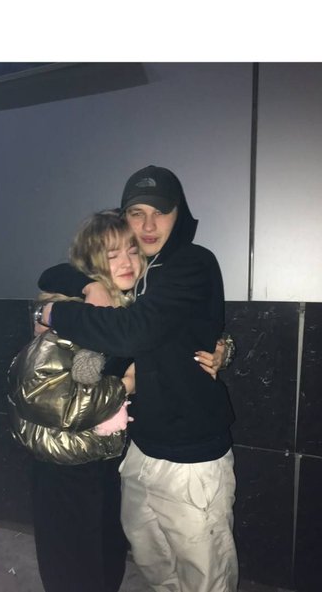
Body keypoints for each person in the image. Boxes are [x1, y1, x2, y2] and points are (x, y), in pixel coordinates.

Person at [44, 165, 238, 592]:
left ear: (179, 214)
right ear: (124, 218)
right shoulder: (137, 267)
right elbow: (60, 271)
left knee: (204, 575)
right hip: (140, 450)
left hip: (191, 458)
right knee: (154, 565)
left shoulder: (191, 262)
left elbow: (135, 332)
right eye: (137, 213)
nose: (149, 226)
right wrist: (87, 285)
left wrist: (53, 312)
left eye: (160, 212)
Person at [9, 212, 145, 592]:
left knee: (105, 560)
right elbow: (60, 402)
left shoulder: (125, 306)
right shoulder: (70, 316)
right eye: (112, 255)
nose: (126, 262)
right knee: (73, 568)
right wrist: (126, 385)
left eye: (132, 251)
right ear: (93, 263)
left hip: (100, 460)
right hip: (64, 468)